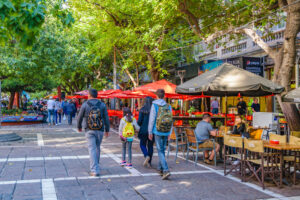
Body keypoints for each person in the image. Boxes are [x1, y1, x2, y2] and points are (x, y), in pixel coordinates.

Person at [77, 88, 110, 177]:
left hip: (89, 129)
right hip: (100, 129)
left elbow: (79, 117)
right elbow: (106, 118)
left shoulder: (85, 104)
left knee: (91, 149)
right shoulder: (102, 105)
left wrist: (79, 126)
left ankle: (94, 170)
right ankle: (96, 165)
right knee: (97, 148)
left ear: (89, 95)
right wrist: (107, 130)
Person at [149, 89, 173, 180]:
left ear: (157, 96)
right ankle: (160, 168)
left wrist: (150, 132)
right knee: (162, 149)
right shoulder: (168, 106)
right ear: (164, 96)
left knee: (160, 150)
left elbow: (152, 120)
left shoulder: (154, 105)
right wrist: (170, 132)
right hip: (166, 130)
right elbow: (171, 119)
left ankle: (166, 170)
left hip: (157, 130)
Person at [137, 96, 154, 167]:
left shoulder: (142, 110)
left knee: (142, 144)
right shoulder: (154, 110)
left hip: (143, 130)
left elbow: (139, 121)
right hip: (152, 131)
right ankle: (149, 162)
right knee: (150, 146)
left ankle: (146, 155)